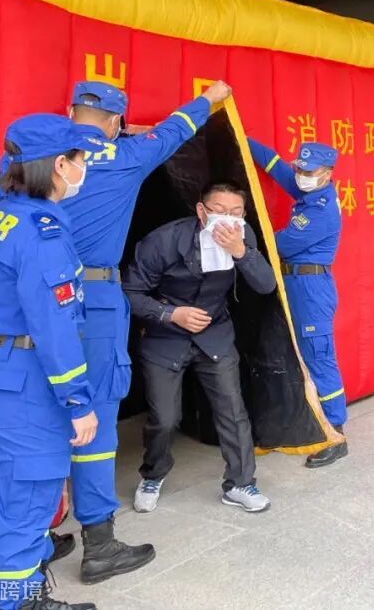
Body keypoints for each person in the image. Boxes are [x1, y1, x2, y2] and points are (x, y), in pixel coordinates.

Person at [0, 79, 233, 578]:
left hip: (21, 313)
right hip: (95, 302)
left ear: (70, 113)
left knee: (34, 418)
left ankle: (35, 541)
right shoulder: (127, 155)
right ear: (115, 123)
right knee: (95, 419)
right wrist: (210, 98)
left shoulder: (20, 165)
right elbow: (176, 129)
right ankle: (99, 542)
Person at [0, 114, 99, 610]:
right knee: (28, 501)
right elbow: (54, 329)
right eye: (79, 159)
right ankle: (20, 602)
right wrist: (79, 403)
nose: (84, 168)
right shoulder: (42, 235)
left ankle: (31, 574)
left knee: (12, 488)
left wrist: (14, 162)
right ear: (60, 165)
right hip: (25, 382)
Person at [125, 182, 276, 511]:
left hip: (214, 334)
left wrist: (241, 252)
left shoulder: (242, 236)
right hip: (165, 336)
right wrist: (170, 314)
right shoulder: (163, 241)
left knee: (233, 411)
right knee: (164, 419)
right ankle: (153, 474)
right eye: (219, 211)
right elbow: (130, 293)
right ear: (201, 211)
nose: (228, 219)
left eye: (236, 213)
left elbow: (266, 284)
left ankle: (240, 483)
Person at [247, 139, 351, 463]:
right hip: (295, 284)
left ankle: (335, 432)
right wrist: (238, 136)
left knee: (318, 356)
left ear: (327, 174)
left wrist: (243, 238)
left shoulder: (321, 210)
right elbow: (275, 165)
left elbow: (280, 244)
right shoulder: (310, 191)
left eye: (309, 172)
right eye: (300, 169)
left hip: (311, 289)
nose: (301, 176)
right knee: (298, 353)